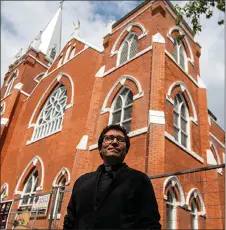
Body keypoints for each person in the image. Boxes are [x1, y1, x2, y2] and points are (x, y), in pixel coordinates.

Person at [63, 124, 161, 229]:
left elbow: (150, 224)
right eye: (108, 138)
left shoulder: (139, 180)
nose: (114, 142)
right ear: (100, 148)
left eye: (120, 140)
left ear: (126, 150)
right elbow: (70, 222)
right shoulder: (81, 182)